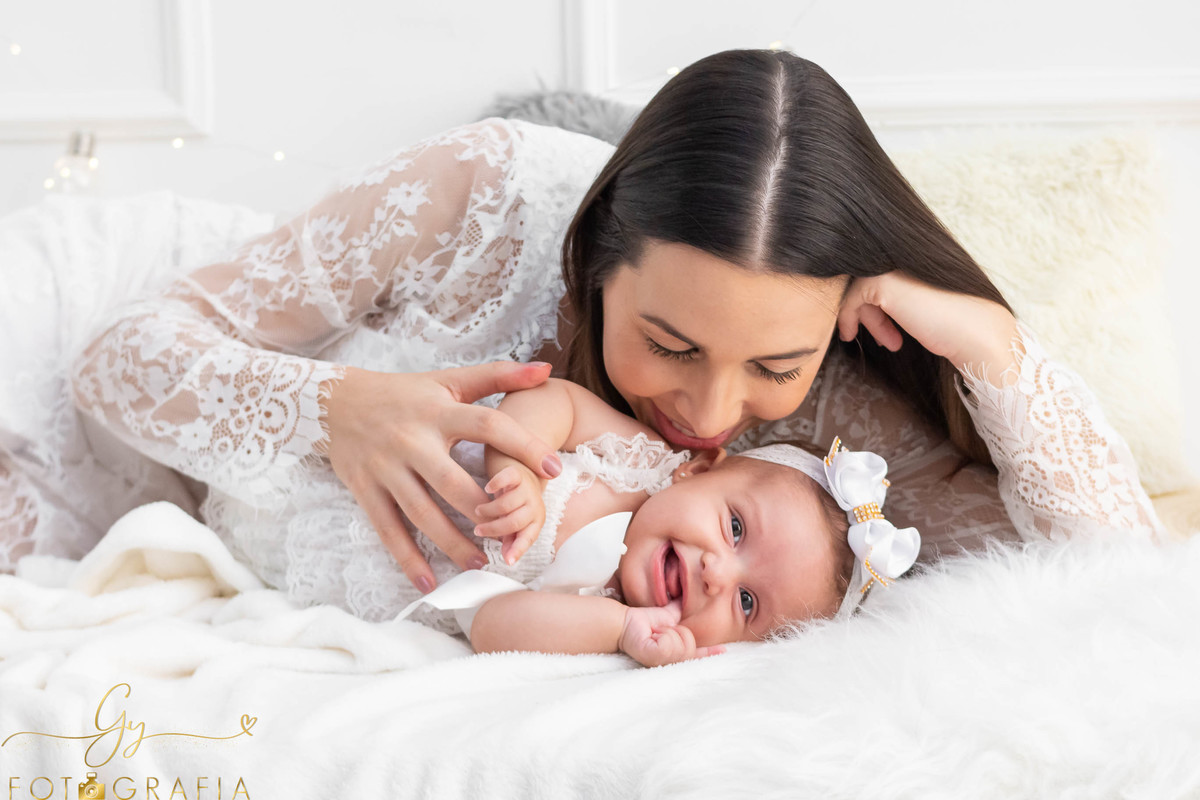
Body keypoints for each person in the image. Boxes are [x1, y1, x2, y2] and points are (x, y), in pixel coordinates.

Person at [66, 50, 1164, 626]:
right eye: (671, 343)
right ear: (595, 260)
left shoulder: (830, 403)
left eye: (772, 365)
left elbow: (1112, 585)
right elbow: (117, 357)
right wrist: (336, 405)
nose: (714, 413)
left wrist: (996, 351)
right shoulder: (487, 190)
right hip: (121, 367)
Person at [395, 376, 917, 665]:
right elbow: (546, 397)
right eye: (734, 529)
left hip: (386, 569)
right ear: (698, 468)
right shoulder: (644, 465)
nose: (717, 575)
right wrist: (518, 473)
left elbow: (489, 627)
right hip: (399, 460)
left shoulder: (616, 621)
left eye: (747, 602)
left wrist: (620, 630)